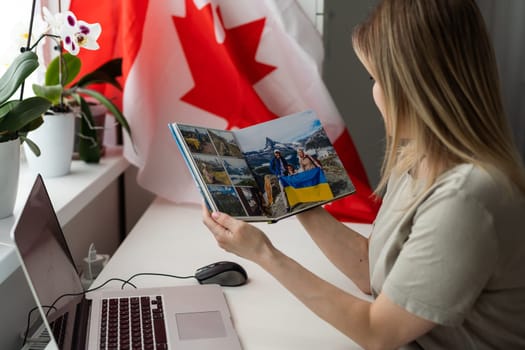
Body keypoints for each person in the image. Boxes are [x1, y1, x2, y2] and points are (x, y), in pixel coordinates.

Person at [202, 0, 525, 348]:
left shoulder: (467, 198)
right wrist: (297, 200)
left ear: (414, 85)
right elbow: (373, 274)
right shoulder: (418, 158)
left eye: (375, 77)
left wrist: (265, 254)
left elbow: (379, 331)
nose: (374, 91)